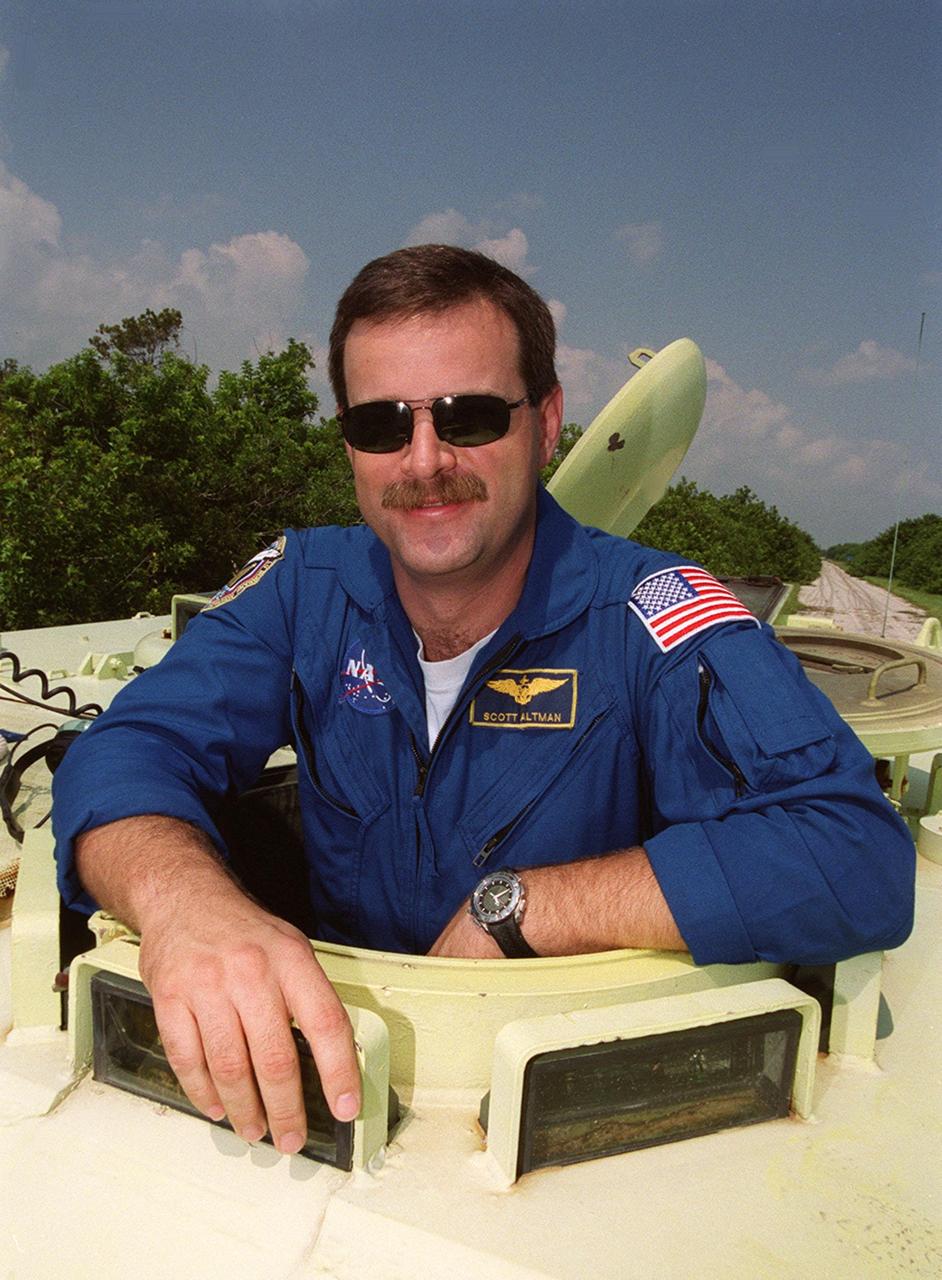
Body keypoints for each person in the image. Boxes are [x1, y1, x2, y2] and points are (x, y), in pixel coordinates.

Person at [52, 244, 915, 1157]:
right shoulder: (302, 587)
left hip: (565, 1119)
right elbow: (122, 750)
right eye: (382, 425)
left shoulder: (651, 615)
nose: (425, 462)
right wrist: (188, 904)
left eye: (468, 417)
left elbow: (854, 852)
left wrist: (524, 909)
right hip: (328, 1098)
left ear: (546, 425)